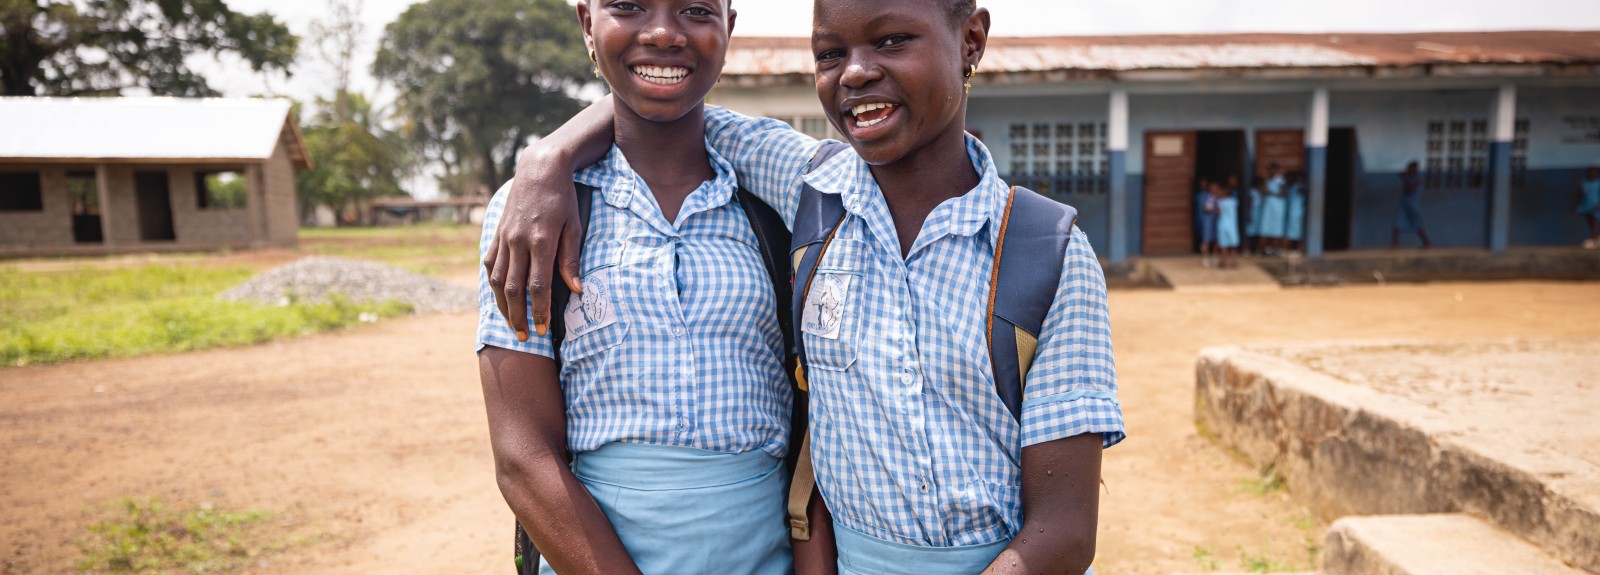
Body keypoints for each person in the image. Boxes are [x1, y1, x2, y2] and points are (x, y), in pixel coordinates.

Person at [488, 1, 1126, 573]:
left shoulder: (1045, 252)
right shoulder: (816, 194)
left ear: (971, 40)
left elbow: (1064, 530)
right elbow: (659, 104)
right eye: (830, 54)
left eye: (894, 41)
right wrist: (547, 160)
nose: (855, 73)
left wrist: (548, 154)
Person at [474, 1, 797, 573]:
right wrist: (547, 162)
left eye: (697, 10)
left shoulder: (774, 203)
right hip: (591, 552)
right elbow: (523, 457)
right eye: (628, 5)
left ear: (729, 27)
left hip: (761, 550)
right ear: (586, 25)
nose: (663, 33)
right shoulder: (535, 212)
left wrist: (550, 149)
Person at [1391, 161, 1431, 249]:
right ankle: (1395, 245)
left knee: (1417, 225)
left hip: (1413, 206)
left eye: (1411, 168)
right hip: (1404, 205)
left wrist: (1405, 179)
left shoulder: (1418, 179)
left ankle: (1426, 243)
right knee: (1397, 224)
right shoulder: (1409, 177)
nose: (1409, 170)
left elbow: (1409, 190)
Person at [1257, 163, 1287, 255]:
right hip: (1268, 207)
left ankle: (1276, 249)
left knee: (1277, 228)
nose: (1271, 172)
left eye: (1273, 170)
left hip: (1277, 207)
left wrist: (1271, 193)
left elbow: (1284, 193)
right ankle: (1267, 249)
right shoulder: (1267, 180)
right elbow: (1262, 191)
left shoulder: (1281, 180)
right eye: (1269, 170)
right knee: (1266, 228)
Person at [1213, 182, 1240, 269]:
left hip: (1222, 225)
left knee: (1224, 245)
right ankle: (1234, 263)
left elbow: (1217, 213)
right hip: (1232, 226)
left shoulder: (1220, 202)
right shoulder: (1234, 201)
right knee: (1233, 246)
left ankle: (1223, 263)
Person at [1285, 171, 1307, 254]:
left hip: (1298, 211)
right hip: (1292, 211)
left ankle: (1296, 249)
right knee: (1292, 230)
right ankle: (1292, 249)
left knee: (1297, 231)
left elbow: (1303, 192)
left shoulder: (1300, 186)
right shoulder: (1293, 186)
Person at [1578, 166, 1599, 249]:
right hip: (1587, 206)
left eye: (1594, 173)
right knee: (1591, 223)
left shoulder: (1598, 183)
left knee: (1595, 223)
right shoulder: (1584, 183)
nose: (1592, 174)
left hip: (1596, 206)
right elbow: (1579, 195)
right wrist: (1575, 205)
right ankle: (1594, 239)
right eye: (1590, 173)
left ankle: (1595, 239)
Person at [1198, 180, 1219, 267]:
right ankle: (1205, 258)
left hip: (1216, 220)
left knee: (1216, 239)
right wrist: (1211, 208)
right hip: (1208, 220)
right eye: (1213, 187)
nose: (1215, 189)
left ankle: (1214, 256)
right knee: (1206, 239)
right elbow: (1204, 209)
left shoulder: (1219, 197)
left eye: (1216, 188)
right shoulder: (1206, 197)